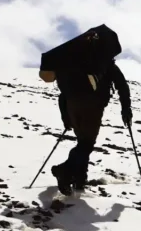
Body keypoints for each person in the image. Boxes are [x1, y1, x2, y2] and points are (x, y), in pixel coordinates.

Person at [39, 58, 132, 196]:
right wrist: (126, 109)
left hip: (72, 105)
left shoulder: (74, 63)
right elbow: (122, 86)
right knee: (86, 144)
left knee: (83, 142)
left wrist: (66, 116)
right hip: (93, 105)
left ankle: (80, 179)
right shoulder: (107, 64)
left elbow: (63, 94)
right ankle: (65, 171)